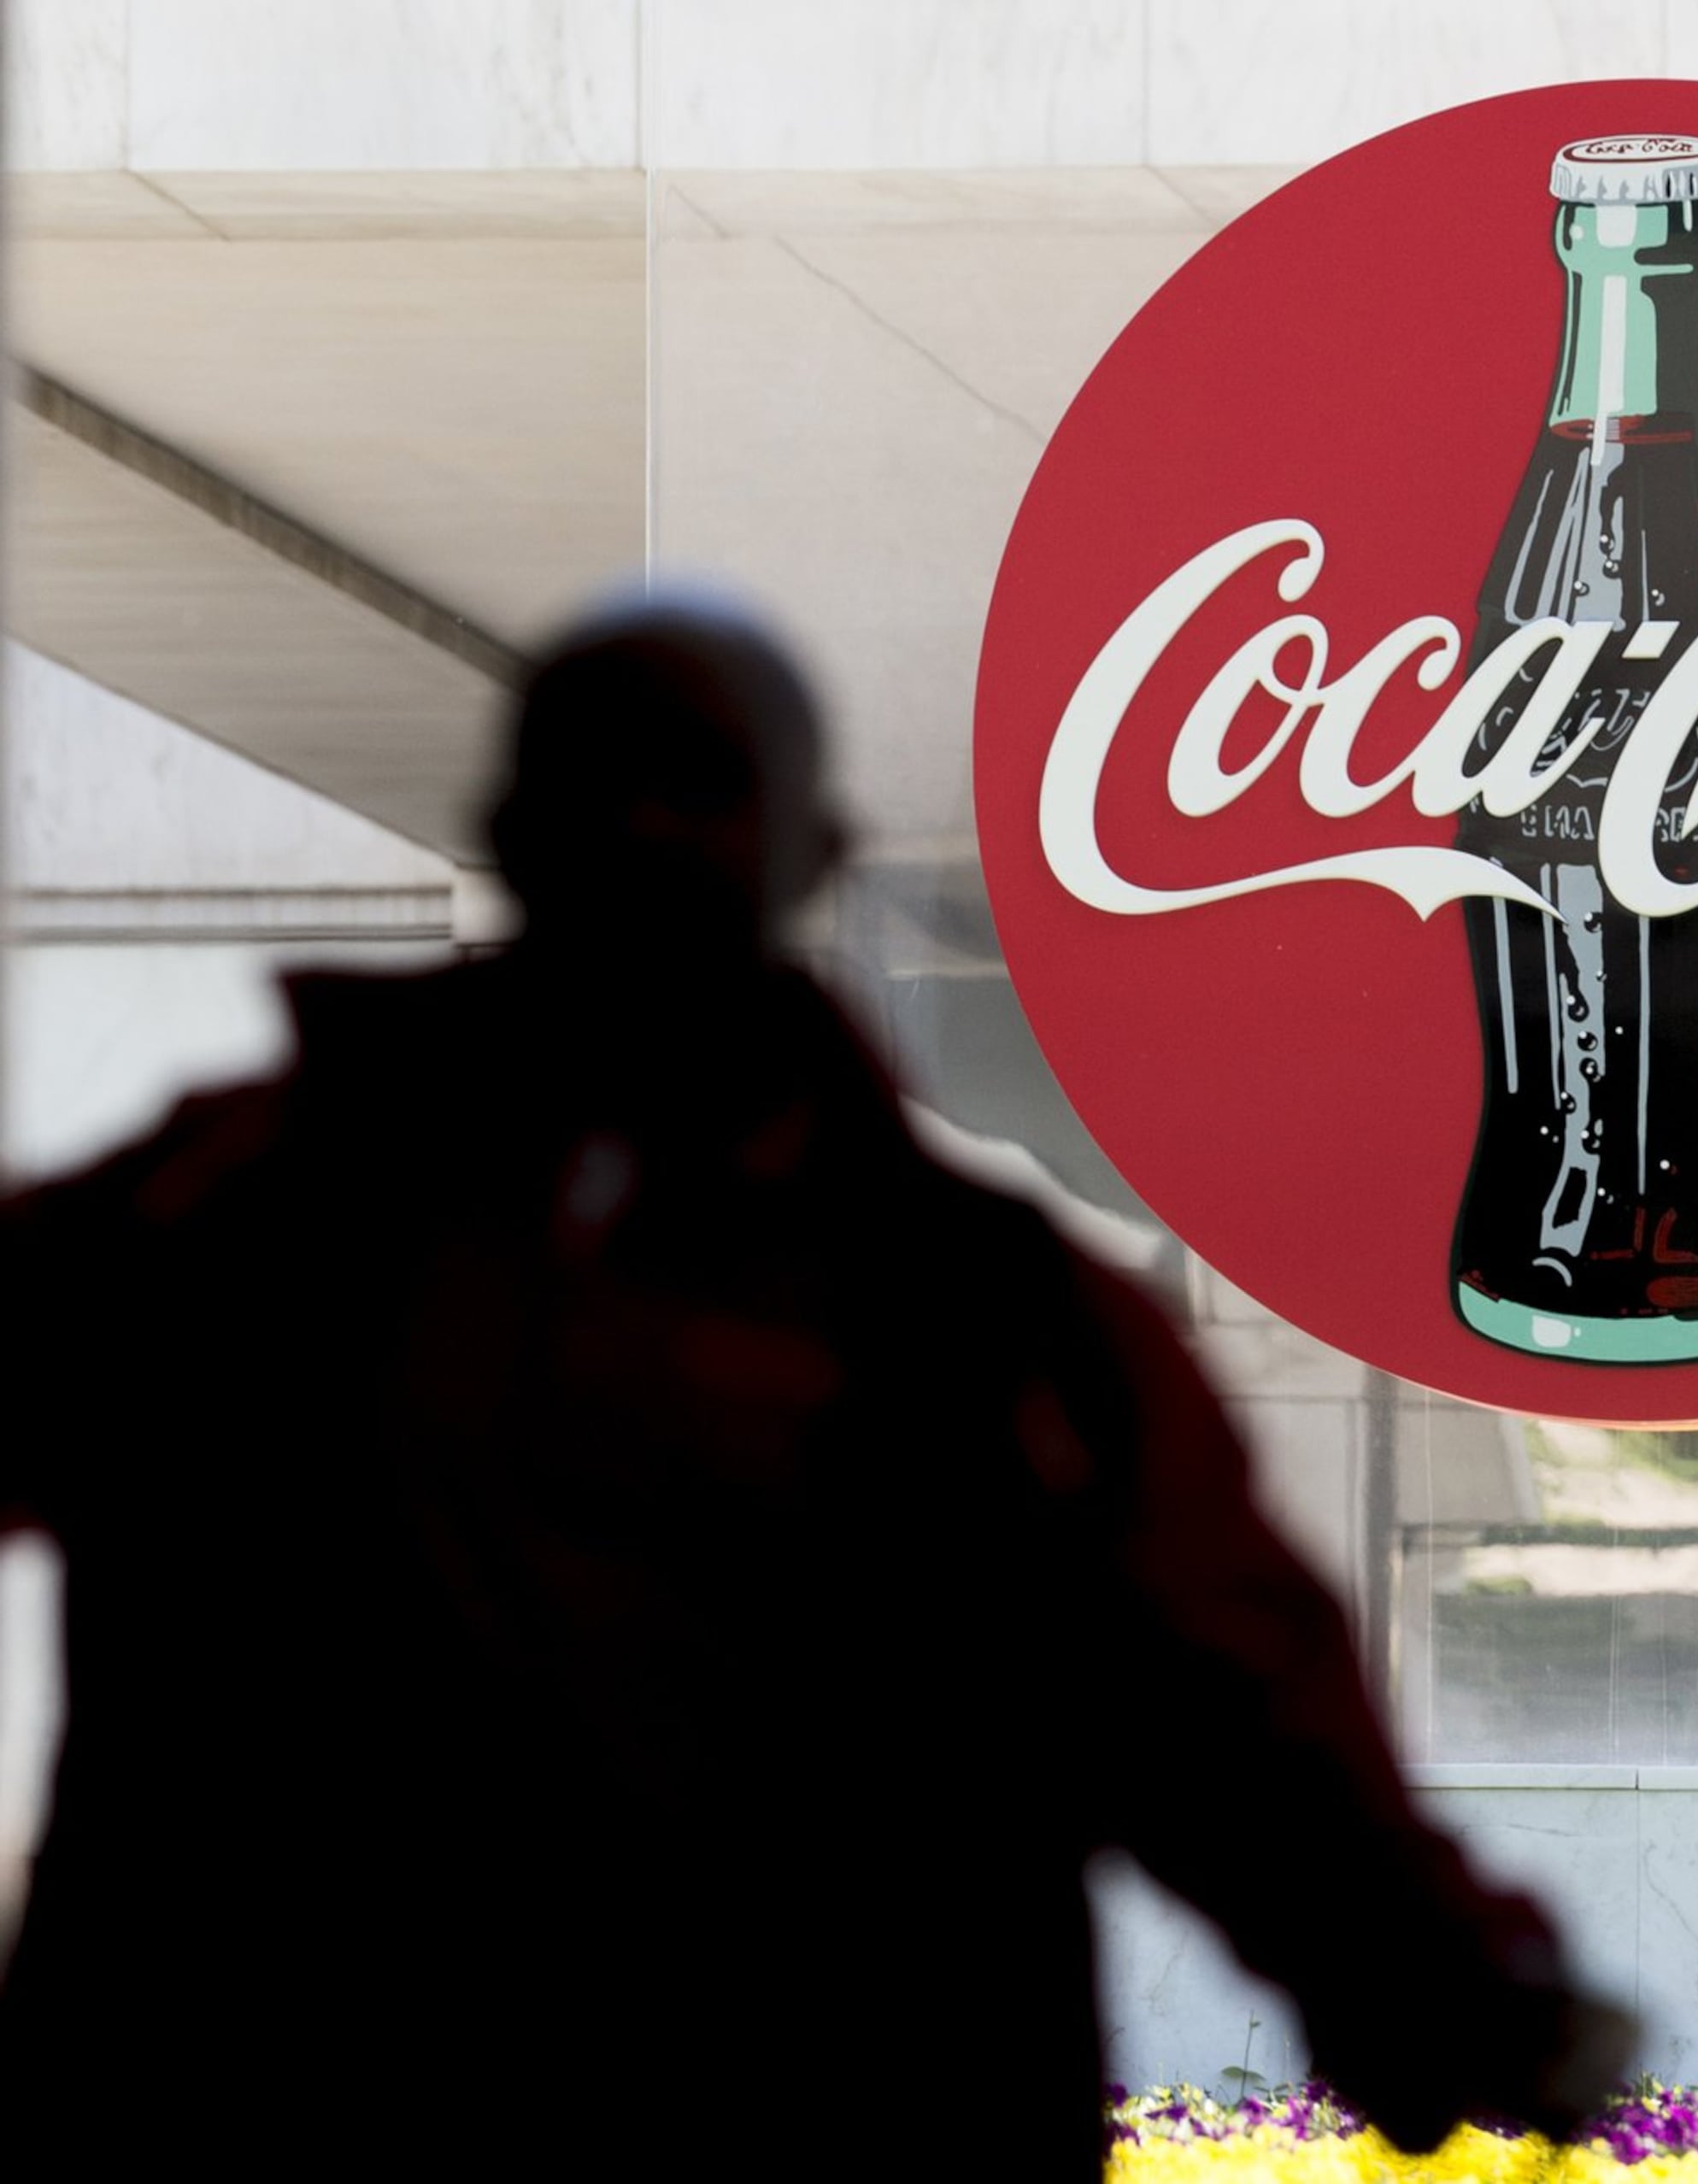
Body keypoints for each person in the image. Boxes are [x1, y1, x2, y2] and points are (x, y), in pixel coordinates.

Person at [0, 592, 1612, 2173]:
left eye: (684, 783)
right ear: (816, 856)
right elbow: (1218, 1702)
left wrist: (1432, 1984)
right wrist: (1454, 1996)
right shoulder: (989, 1314)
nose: (645, 829)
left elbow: (1223, 1709)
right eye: (620, 778)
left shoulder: (209, 1218)